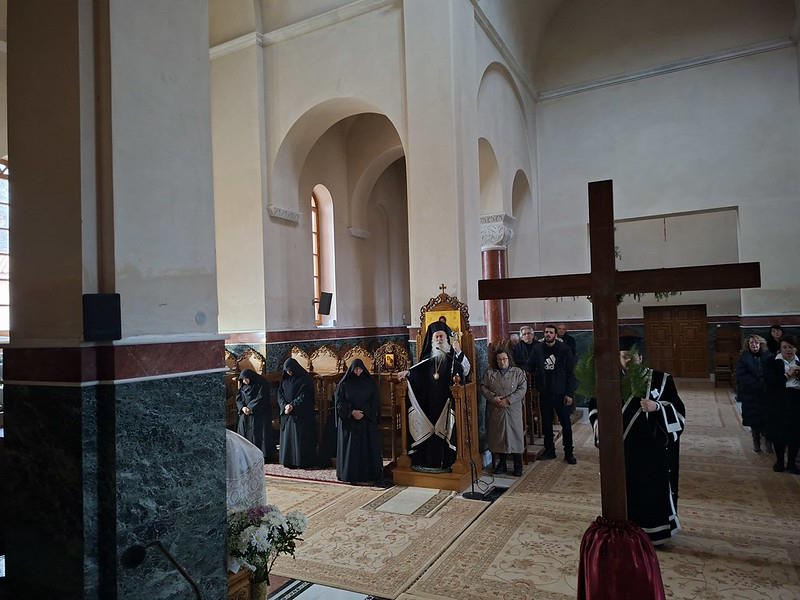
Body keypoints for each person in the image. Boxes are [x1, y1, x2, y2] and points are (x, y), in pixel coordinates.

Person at [587, 342, 685, 545]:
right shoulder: (609, 381)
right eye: (624, 357)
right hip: (622, 451)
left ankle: (654, 534)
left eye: (632, 356)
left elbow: (678, 412)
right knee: (625, 492)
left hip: (652, 450)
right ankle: (626, 533)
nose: (629, 361)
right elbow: (595, 408)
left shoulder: (661, 380)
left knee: (651, 492)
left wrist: (657, 407)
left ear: (641, 358)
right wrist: (599, 429)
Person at [400, 321, 471, 471]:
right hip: (429, 403)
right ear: (432, 340)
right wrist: (408, 373)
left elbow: (465, 370)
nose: (439, 339)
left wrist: (458, 351)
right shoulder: (428, 358)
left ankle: (447, 461)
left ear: (447, 338)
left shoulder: (453, 358)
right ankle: (427, 461)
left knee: (445, 432)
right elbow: (417, 372)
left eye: (441, 336)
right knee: (430, 431)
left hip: (447, 402)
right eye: (436, 337)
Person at [529, 324, 577, 464]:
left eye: (551, 332)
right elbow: (530, 365)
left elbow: (571, 373)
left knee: (566, 424)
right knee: (547, 424)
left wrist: (569, 393)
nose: (548, 334)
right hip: (545, 393)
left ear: (555, 335)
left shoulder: (564, 349)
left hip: (561, 393)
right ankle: (550, 451)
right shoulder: (537, 349)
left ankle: (569, 453)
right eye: (546, 332)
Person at [335, 358, 383, 484]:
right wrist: (351, 412)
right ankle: (349, 474)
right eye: (355, 369)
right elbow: (339, 403)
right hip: (349, 421)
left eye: (359, 369)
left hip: (366, 420)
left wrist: (364, 413)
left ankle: (367, 475)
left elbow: (374, 403)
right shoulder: (344, 384)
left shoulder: (370, 383)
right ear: (351, 370)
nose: (357, 372)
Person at [481, 347, 527, 476]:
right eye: (499, 359)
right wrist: (493, 398)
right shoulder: (490, 373)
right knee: (499, 436)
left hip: (512, 409)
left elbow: (522, 389)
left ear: (508, 359)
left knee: (515, 436)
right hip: (496, 409)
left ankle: (518, 465)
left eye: (504, 359)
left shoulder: (517, 372)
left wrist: (508, 400)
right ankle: (502, 464)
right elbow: (483, 387)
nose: (502, 362)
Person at [765, 335, 800, 474]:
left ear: (795, 348)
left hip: (797, 399)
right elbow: (770, 383)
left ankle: (791, 463)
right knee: (779, 433)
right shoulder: (772, 361)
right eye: (785, 347)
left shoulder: (799, 361)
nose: (788, 350)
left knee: (795, 433)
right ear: (780, 349)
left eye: (791, 347)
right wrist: (787, 375)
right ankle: (780, 461)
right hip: (779, 401)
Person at [277, 358, 317, 468]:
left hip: (301, 413)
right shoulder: (285, 379)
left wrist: (293, 405)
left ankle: (300, 461)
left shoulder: (305, 379)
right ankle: (288, 461)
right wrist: (284, 406)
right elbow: (280, 394)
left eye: (290, 370)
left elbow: (305, 395)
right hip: (287, 412)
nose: (289, 372)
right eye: (287, 371)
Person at [735, 335, 771, 453]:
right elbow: (741, 375)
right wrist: (757, 383)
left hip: (766, 393)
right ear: (748, 345)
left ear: (761, 344)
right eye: (751, 343)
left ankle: (768, 442)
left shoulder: (768, 356)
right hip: (750, 394)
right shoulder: (743, 358)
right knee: (754, 419)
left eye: (756, 343)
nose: (754, 345)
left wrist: (764, 383)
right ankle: (756, 441)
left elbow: (771, 373)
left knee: (767, 419)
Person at [236, 369, 274, 460]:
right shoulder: (243, 385)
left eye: (245, 379)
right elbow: (238, 398)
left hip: (259, 412)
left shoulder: (262, 383)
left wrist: (250, 408)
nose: (244, 381)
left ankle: (261, 455)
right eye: (242, 380)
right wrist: (242, 407)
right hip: (245, 412)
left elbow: (261, 397)